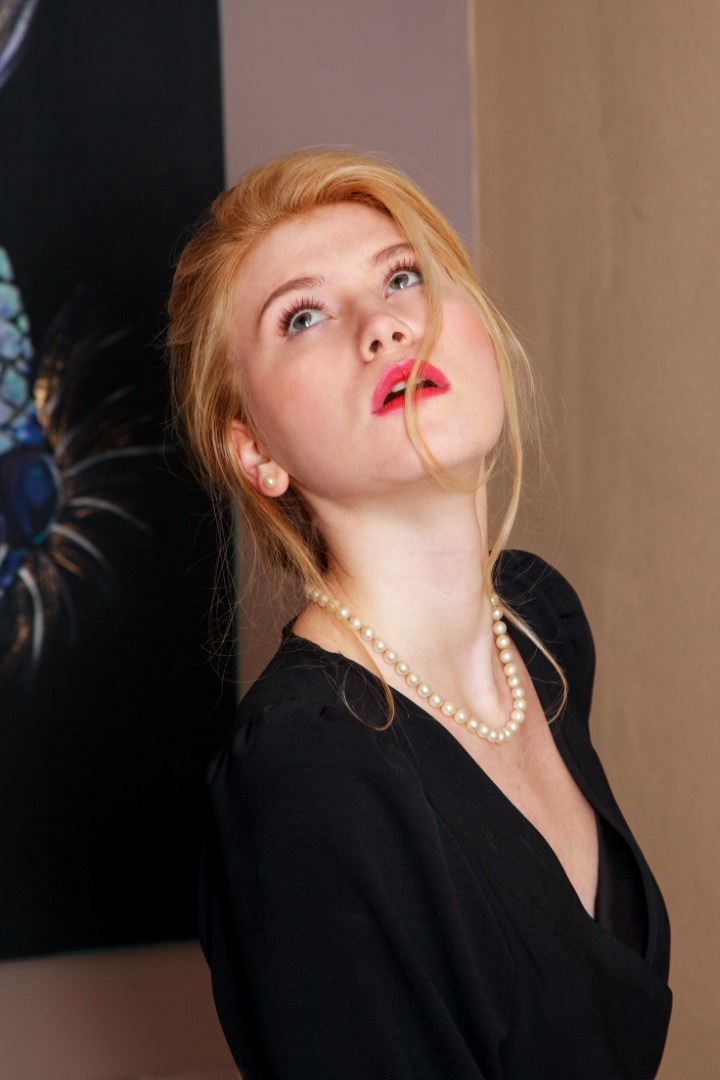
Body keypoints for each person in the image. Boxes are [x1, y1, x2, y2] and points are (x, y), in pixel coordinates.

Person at [167, 149, 672, 1079]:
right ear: (256, 452)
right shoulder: (303, 775)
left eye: (403, 276)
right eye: (303, 316)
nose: (385, 326)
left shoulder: (542, 627)